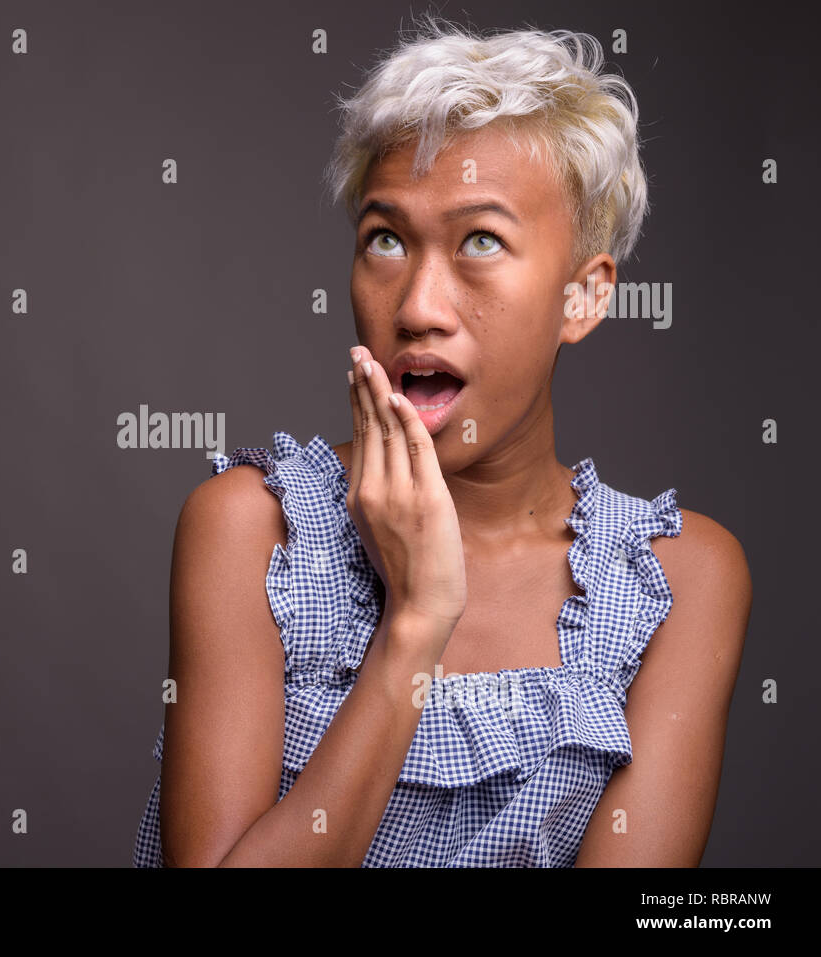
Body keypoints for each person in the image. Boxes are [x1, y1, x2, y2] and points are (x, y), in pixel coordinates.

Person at [132, 18, 751, 867]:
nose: (418, 306)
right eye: (386, 239)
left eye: (481, 242)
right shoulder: (252, 529)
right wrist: (413, 625)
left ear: (583, 295)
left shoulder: (678, 580)